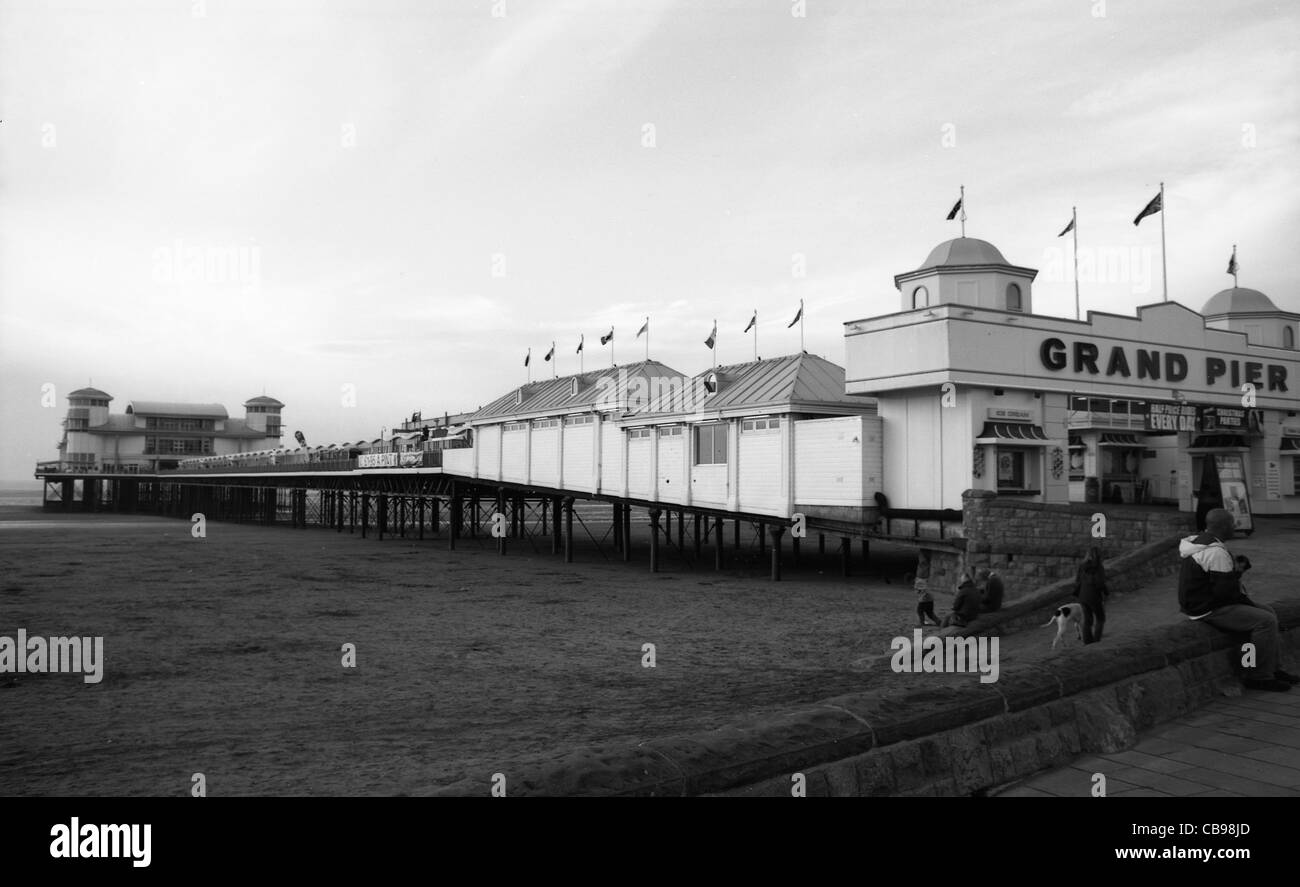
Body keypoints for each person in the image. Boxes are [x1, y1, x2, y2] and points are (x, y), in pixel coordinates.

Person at [1178, 508, 1299, 692]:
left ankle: (1272, 669)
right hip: (1208, 609)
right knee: (1265, 620)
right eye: (1233, 523)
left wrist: (1236, 573)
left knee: (1269, 612)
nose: (1235, 526)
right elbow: (1226, 594)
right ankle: (1258, 677)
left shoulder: (1198, 542)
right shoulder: (1216, 552)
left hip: (1200, 602)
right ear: (1224, 527)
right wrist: (1240, 581)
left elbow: (1220, 586)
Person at [1073, 546, 1108, 644]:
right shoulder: (1098, 567)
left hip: (1083, 596)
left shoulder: (1082, 566)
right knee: (1100, 618)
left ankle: (1088, 641)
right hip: (1094, 596)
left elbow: (1077, 581)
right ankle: (1096, 640)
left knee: (1087, 620)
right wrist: (1106, 592)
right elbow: (1100, 583)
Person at [914, 551, 940, 627]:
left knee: (920, 611)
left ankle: (922, 622)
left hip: (924, 597)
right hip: (928, 597)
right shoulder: (923, 579)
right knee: (929, 612)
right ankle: (939, 622)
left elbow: (921, 589)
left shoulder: (921, 579)